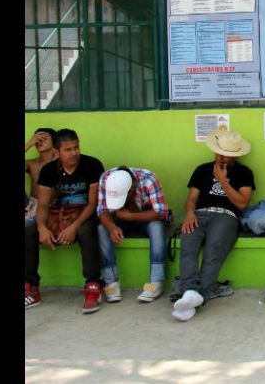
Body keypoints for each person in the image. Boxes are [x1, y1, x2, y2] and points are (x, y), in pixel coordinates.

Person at [171, 129, 256, 322]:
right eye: (218, 153)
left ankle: (195, 297)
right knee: (188, 245)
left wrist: (223, 181)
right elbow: (192, 198)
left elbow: (242, 203)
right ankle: (190, 293)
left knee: (213, 252)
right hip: (199, 214)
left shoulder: (244, 173)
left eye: (225, 155)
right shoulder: (202, 169)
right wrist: (189, 213)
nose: (220, 157)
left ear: (234, 156)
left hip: (226, 216)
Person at [25, 129, 105, 313]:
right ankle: (31, 286)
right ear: (57, 152)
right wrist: (42, 227)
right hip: (58, 215)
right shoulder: (48, 170)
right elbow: (43, 205)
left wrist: (73, 227)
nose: (74, 153)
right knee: (29, 230)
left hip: (84, 214)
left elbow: (93, 204)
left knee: (87, 231)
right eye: (68, 149)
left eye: (76, 147)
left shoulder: (92, 165)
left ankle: (93, 284)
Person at [97, 166, 171, 303]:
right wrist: (112, 227)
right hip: (120, 218)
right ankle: (111, 283)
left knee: (156, 227)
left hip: (146, 216)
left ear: (132, 189)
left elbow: (161, 212)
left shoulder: (149, 179)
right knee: (102, 228)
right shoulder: (106, 179)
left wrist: (131, 216)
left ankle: (156, 281)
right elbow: (102, 210)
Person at [25, 128, 58, 223]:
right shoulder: (31, 164)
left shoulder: (61, 161)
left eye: (43, 139)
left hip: (55, 206)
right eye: (37, 139)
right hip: (33, 207)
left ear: (54, 141)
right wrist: (29, 144)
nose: (39, 142)